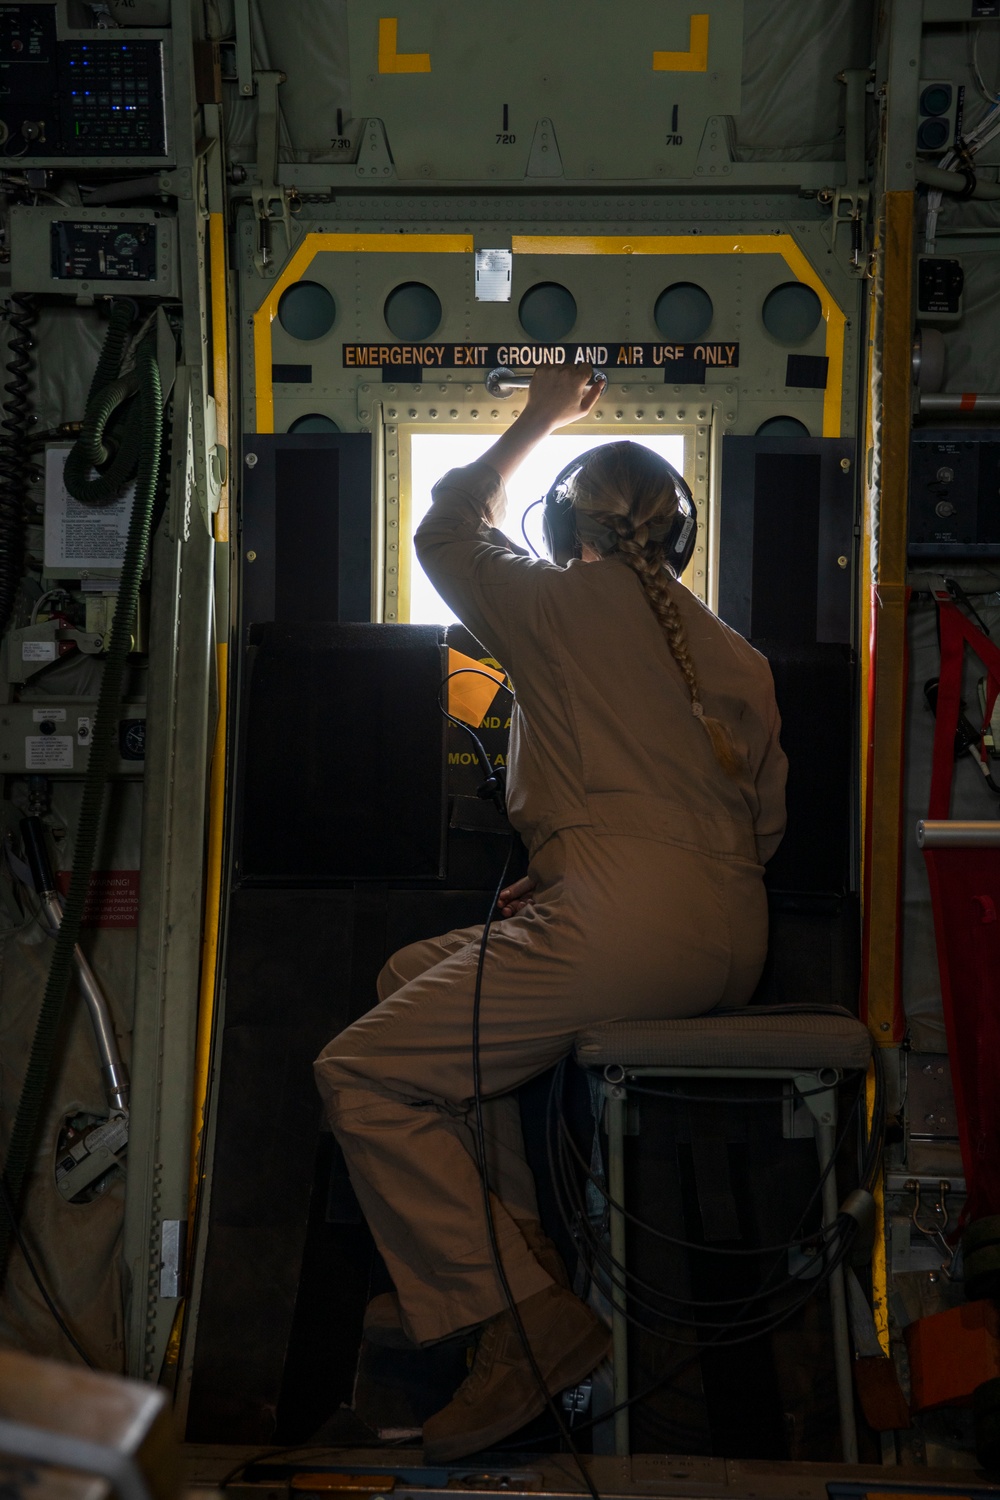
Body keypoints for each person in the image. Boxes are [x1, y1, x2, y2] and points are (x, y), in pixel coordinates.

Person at [314, 366, 787, 1462]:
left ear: (567, 521)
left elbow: (443, 529)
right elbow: (752, 829)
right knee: (407, 977)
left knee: (361, 1072)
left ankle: (523, 1322)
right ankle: (514, 1257)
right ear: (680, 539)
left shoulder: (560, 601)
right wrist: (580, 859)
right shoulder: (740, 656)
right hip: (724, 934)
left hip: (624, 922)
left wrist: (534, 415)